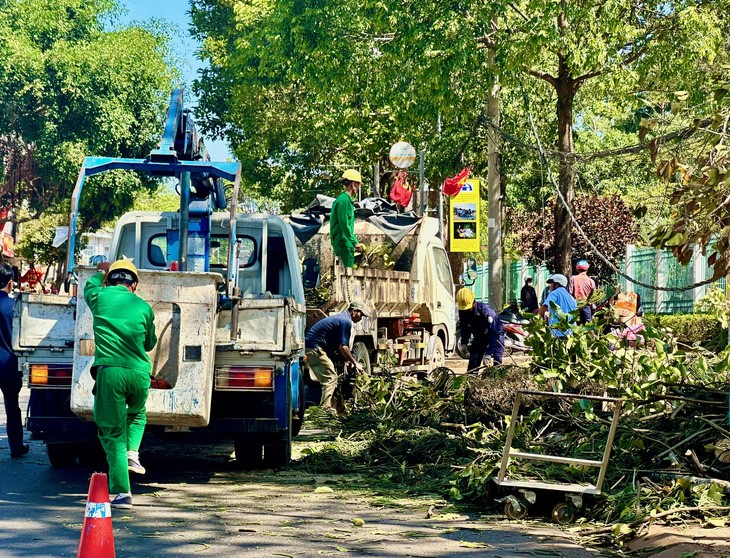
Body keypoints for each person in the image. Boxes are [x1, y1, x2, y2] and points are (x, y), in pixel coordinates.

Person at [85, 259, 157, 509]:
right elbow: (149, 344)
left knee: (112, 433)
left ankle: (122, 492)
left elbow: (89, 286)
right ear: (134, 285)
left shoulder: (99, 296)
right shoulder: (144, 307)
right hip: (139, 374)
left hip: (111, 372)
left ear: (109, 281)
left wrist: (100, 273)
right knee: (137, 413)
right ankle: (132, 454)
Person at [305, 302, 366, 412]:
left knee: (335, 378)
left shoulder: (341, 318)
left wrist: (346, 360)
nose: (361, 318)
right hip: (314, 348)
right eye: (360, 315)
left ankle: (340, 411)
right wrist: (355, 362)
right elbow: (343, 347)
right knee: (330, 378)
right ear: (354, 312)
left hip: (314, 347)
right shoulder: (345, 321)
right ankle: (325, 412)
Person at [0, 264, 29, 459]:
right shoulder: (14, 307)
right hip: (8, 364)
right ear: (10, 283)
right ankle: (16, 446)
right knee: (12, 405)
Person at [457, 288, 505, 369]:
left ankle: (497, 378)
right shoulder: (462, 311)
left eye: (467, 308)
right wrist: (464, 342)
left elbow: (494, 333)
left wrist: (488, 353)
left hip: (495, 334)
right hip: (480, 335)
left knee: (496, 359)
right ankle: (472, 378)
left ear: (473, 302)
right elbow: (464, 327)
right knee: (473, 361)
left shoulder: (485, 311)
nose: (466, 311)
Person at [330, 169, 363, 268]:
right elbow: (344, 224)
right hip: (344, 244)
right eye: (358, 184)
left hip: (344, 243)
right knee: (346, 277)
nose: (358, 187)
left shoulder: (344, 200)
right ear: (353, 184)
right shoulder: (344, 201)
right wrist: (355, 242)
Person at [569, 260, 596, 324]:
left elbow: (570, 292)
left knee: (572, 324)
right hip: (586, 305)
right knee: (587, 325)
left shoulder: (573, 278)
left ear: (577, 269)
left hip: (575, 305)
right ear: (587, 269)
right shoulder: (591, 281)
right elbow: (593, 295)